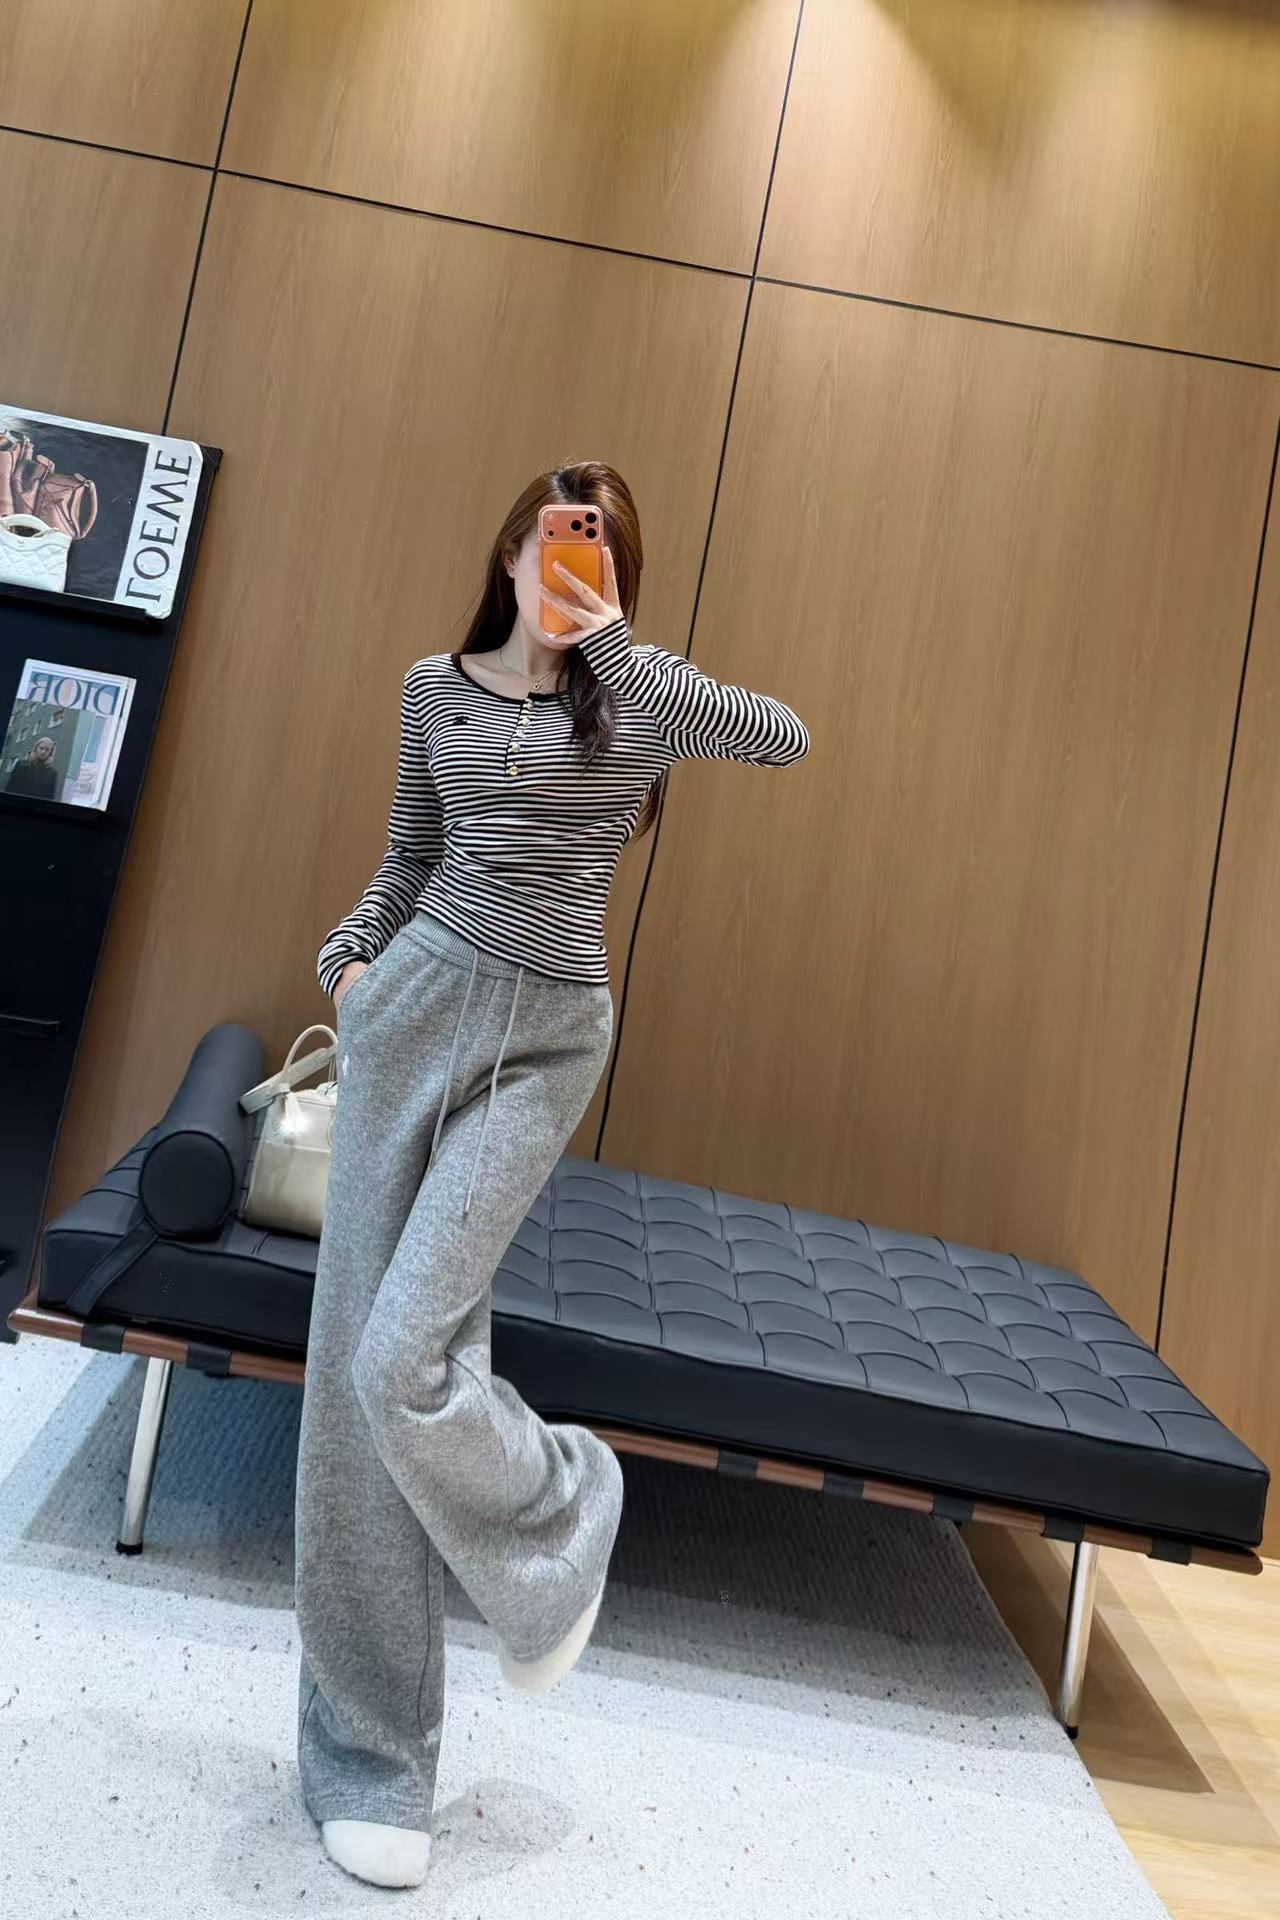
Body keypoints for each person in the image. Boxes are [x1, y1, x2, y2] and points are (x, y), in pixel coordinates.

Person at [294, 460, 811, 1890]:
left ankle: (567, 1503)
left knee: (405, 1360)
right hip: (410, 1013)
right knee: (352, 1384)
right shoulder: (433, 689)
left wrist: (616, 647)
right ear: (510, 553)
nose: (565, 564)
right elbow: (409, 857)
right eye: (548, 541)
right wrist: (349, 958)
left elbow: (784, 739)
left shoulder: (639, 698)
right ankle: (370, 1760)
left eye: (595, 551)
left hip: (546, 1040)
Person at [4, 735, 59, 799]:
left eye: (47, 750)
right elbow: (9, 788)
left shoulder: (52, 773)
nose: (43, 751)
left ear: (50, 753)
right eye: (41, 748)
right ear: (36, 749)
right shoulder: (21, 765)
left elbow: (50, 797)